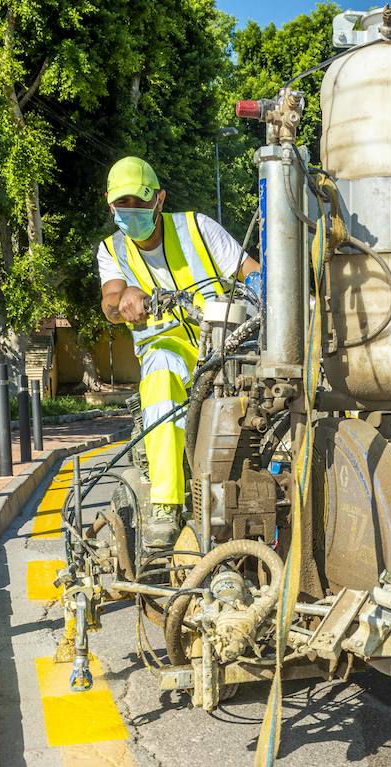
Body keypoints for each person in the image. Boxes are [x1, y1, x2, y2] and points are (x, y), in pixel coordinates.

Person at [97, 156, 260, 548]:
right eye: (123, 204)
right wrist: (125, 301)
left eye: (139, 202)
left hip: (223, 349)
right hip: (171, 352)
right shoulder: (112, 250)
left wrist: (269, 285)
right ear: (110, 204)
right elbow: (110, 299)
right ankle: (166, 505)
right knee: (161, 368)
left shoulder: (197, 228)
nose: (131, 211)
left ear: (159, 199)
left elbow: (249, 270)